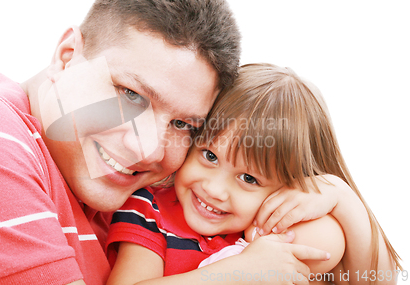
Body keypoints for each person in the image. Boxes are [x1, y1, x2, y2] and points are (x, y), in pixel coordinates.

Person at [0, 0, 330, 285]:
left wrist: (340, 202)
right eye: (130, 95)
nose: (148, 149)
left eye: (183, 124)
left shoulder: (123, 201)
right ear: (68, 54)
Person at [106, 63, 402, 285]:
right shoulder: (150, 209)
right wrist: (238, 273)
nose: (215, 190)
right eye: (210, 156)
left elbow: (376, 280)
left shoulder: (271, 230)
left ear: (286, 188)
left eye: (249, 179)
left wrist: (342, 198)